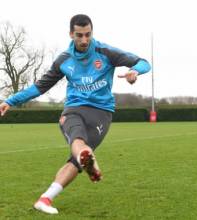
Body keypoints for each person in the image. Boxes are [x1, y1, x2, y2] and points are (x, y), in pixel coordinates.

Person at [0, 14, 151, 214]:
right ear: (71, 34)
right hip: (74, 109)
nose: (84, 40)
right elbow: (40, 87)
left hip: (101, 113)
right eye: (79, 35)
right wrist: (10, 101)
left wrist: (134, 71)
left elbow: (143, 62)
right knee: (78, 141)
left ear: (92, 32)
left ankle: (45, 198)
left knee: (77, 159)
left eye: (88, 35)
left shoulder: (105, 52)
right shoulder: (64, 60)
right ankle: (85, 157)